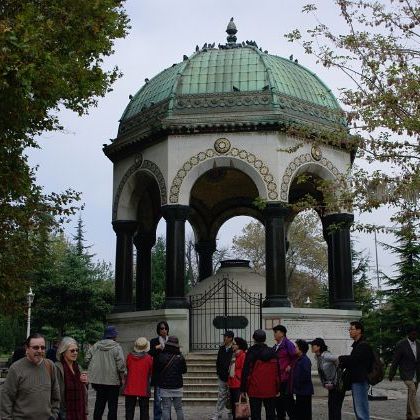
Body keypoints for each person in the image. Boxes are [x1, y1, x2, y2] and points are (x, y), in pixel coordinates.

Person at [0, 332, 60, 420]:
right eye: (35, 347)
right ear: (27, 348)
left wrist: (54, 415)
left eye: (42, 348)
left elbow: (56, 395)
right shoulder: (16, 368)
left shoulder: (50, 366)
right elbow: (6, 399)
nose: (40, 350)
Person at [85, 325, 126, 420]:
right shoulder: (117, 347)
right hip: (113, 382)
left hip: (98, 381)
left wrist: (94, 368)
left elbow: (87, 359)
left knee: (99, 405)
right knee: (112, 407)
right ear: (114, 336)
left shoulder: (96, 346)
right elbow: (121, 366)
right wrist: (122, 378)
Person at [240, 329, 279, 420]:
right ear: (265, 339)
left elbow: (246, 371)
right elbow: (277, 372)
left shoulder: (251, 352)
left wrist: (243, 389)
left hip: (255, 388)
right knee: (271, 413)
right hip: (270, 388)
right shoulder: (273, 352)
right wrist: (278, 387)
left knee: (255, 414)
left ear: (254, 338)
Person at [338, 321, 373, 420]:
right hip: (357, 379)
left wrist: (341, 358)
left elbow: (354, 360)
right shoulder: (358, 344)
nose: (349, 331)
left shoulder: (363, 345)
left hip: (360, 380)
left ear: (359, 331)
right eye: (349, 329)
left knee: (361, 407)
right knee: (359, 407)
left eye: (351, 329)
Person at [389, 325, 420, 420]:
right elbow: (395, 360)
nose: (415, 336)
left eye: (416, 334)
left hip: (417, 373)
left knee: (411, 393)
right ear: (409, 334)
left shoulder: (419, 344)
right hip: (406, 373)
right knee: (412, 390)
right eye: (413, 334)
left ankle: (409, 415)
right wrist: (392, 373)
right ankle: (417, 415)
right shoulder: (401, 344)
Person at [310, 337, 344, 420]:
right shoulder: (318, 357)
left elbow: (339, 358)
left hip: (338, 386)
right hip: (332, 386)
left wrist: (338, 371)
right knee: (331, 407)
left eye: (313, 345)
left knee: (335, 408)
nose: (311, 347)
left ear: (319, 347)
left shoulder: (326, 355)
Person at [56, 336, 88, 420]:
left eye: (77, 350)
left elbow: (83, 389)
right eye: (72, 350)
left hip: (80, 410)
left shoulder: (78, 367)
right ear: (63, 352)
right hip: (65, 412)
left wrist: (85, 382)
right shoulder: (57, 368)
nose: (75, 353)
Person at [156, 336, 187, 420]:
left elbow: (157, 369)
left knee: (166, 408)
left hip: (165, 386)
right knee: (179, 408)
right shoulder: (180, 357)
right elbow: (184, 371)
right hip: (177, 386)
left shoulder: (161, 356)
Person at [124, 337, 154, 420]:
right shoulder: (149, 358)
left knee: (129, 410)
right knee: (144, 411)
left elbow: (127, 367)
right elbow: (151, 372)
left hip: (130, 386)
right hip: (143, 387)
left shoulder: (129, 356)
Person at [272, 324, 296, 419]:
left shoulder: (288, 344)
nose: (274, 334)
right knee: (278, 403)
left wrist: (290, 366)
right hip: (277, 379)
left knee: (288, 402)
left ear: (282, 333)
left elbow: (295, 357)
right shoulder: (275, 346)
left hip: (286, 378)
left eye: (276, 332)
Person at [211, 330, 234, 420]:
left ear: (231, 338)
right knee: (221, 395)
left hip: (231, 377)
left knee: (231, 396)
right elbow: (218, 361)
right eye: (224, 336)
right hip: (222, 376)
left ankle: (231, 413)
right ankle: (218, 414)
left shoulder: (234, 348)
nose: (225, 338)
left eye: (227, 337)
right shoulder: (222, 348)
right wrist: (219, 372)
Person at [149, 321, 170, 420]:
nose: (164, 330)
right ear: (158, 330)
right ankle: (157, 418)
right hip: (158, 374)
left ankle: (167, 417)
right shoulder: (154, 341)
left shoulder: (171, 341)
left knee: (168, 399)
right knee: (157, 399)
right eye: (162, 328)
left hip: (169, 374)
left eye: (166, 328)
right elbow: (149, 353)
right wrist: (158, 347)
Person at [291, 339, 313, 420]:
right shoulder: (299, 359)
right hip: (300, 391)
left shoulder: (304, 360)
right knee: (300, 413)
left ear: (301, 349)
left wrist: (297, 384)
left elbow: (306, 376)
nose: (295, 349)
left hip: (304, 391)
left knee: (305, 413)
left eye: (296, 347)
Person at [228, 337, 248, 420]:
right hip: (232, 383)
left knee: (240, 407)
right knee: (234, 408)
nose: (232, 345)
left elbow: (244, 370)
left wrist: (238, 377)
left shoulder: (243, 355)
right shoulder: (234, 355)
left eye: (234, 344)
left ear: (238, 345)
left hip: (239, 384)